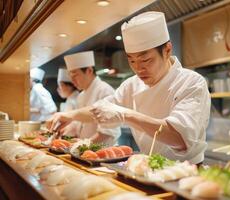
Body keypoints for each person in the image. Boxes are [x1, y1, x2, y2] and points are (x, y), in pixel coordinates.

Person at [47, 11, 211, 164]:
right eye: (132, 61)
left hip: (186, 170)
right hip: (148, 167)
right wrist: (69, 115)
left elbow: (179, 138)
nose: (139, 69)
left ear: (167, 50)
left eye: (146, 60)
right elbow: (101, 109)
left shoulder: (191, 82)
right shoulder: (132, 84)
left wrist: (126, 115)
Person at [60, 51, 121, 146]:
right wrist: (70, 128)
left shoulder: (105, 90)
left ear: (89, 70)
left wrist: (84, 144)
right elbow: (80, 123)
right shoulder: (81, 95)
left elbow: (108, 132)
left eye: (75, 75)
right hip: (84, 151)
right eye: (70, 76)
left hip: (103, 153)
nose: (72, 80)